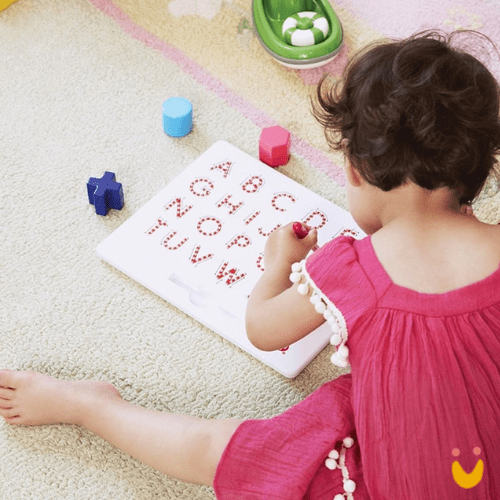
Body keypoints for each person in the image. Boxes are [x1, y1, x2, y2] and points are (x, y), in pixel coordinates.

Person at [1, 29, 500, 499]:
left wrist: (278, 266)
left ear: (355, 169)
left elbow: (263, 329)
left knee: (220, 450)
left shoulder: (353, 269)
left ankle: (89, 406)